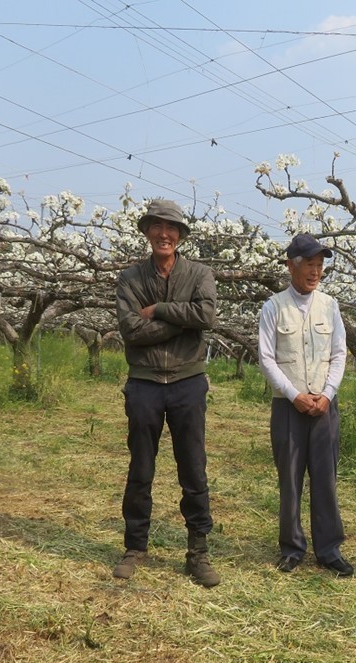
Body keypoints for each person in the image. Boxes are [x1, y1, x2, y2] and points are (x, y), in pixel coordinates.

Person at [112, 198, 220, 587]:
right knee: (141, 467)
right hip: (144, 382)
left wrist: (157, 309)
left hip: (188, 381)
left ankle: (198, 551)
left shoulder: (200, 273)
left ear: (180, 236)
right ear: (146, 231)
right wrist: (182, 319)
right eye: (157, 226)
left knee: (193, 467)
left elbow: (206, 316)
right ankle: (135, 545)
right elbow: (130, 331)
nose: (163, 234)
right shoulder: (130, 278)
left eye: (170, 228)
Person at [258, 233, 353, 577]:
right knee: (291, 479)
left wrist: (327, 394)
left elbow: (339, 353)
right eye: (309, 265)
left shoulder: (329, 305)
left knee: (326, 478)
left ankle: (329, 549)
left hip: (325, 406)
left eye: (320, 265)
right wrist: (294, 394)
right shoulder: (273, 306)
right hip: (288, 406)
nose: (316, 272)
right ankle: (292, 547)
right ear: (291, 266)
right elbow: (266, 359)